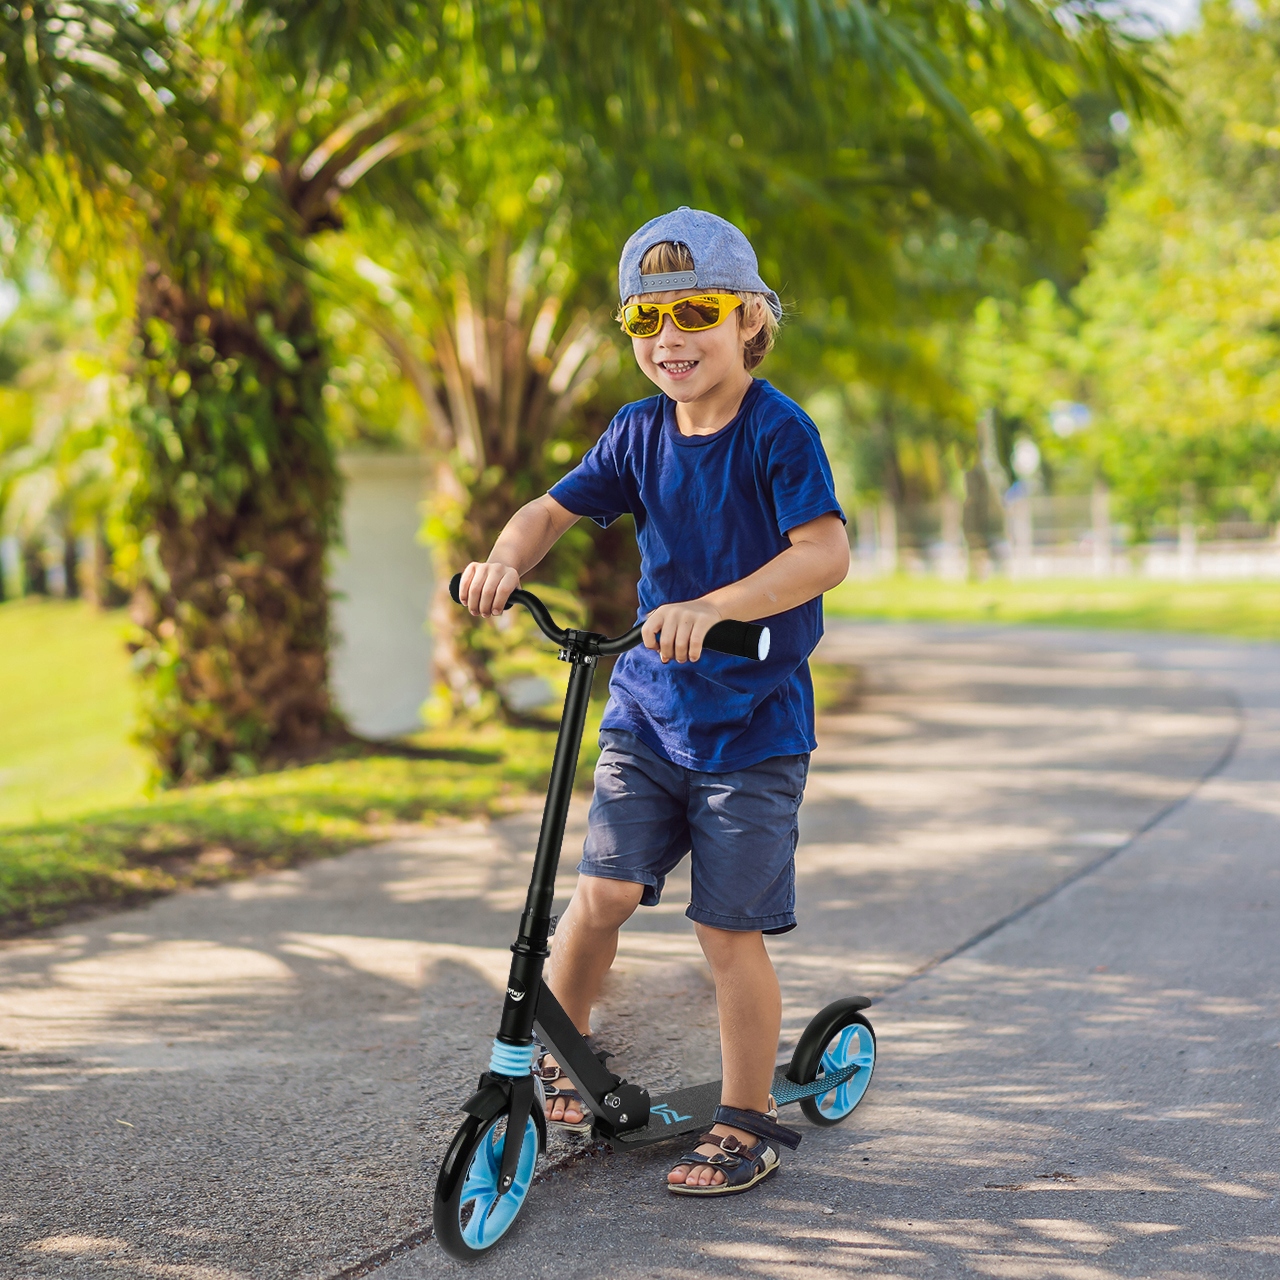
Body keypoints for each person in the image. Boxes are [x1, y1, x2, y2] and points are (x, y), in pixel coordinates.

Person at [457, 207, 849, 1196]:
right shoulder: (636, 432)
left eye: (695, 312)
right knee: (601, 894)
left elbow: (822, 551)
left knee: (725, 928)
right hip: (646, 705)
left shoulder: (776, 429)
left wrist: (711, 606)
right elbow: (551, 508)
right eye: (645, 321)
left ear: (748, 318)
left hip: (751, 720)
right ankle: (560, 1064)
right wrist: (504, 560)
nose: (670, 339)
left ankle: (745, 1115)